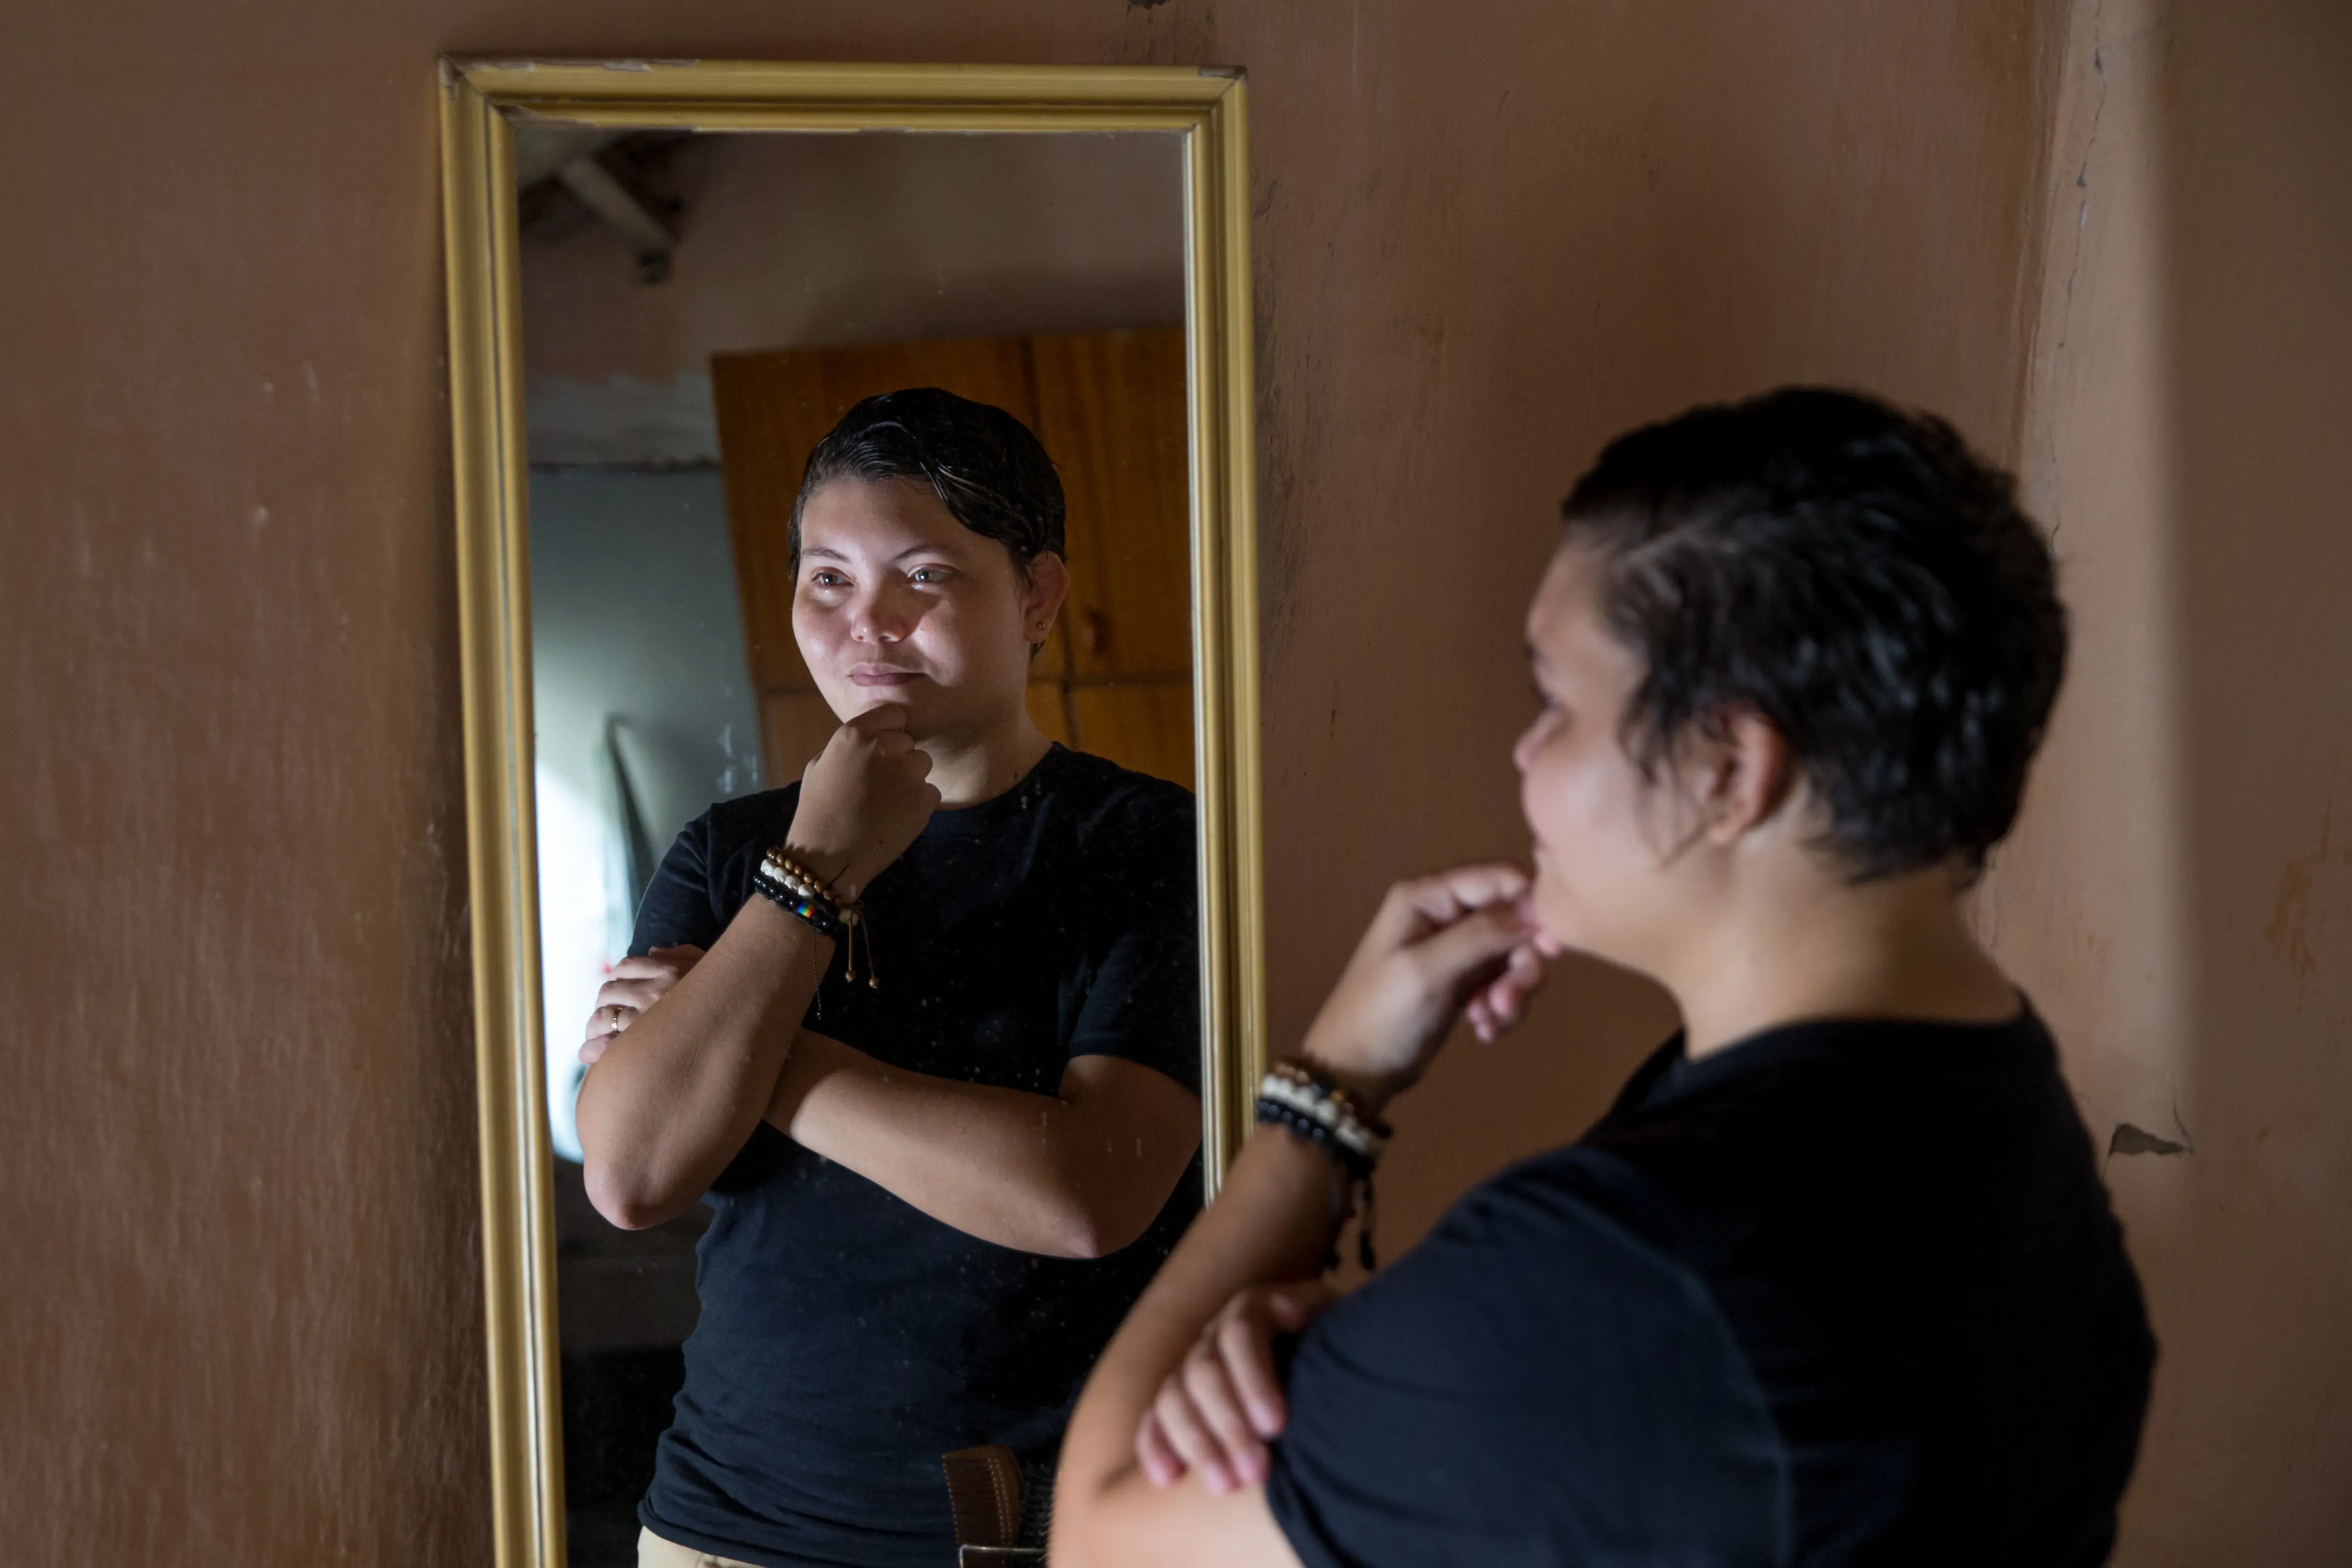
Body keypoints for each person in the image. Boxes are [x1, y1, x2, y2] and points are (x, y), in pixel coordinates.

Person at [1051, 388, 2157, 1566]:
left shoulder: (1632, 1274)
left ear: (1729, 766)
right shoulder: (2002, 1117)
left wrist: (1327, 1094)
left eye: (1556, 702)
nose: (1524, 756)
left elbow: (1102, 1530)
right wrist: (1409, 1385)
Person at [572, 389, 1207, 1568]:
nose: (869, 626)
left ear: (1037, 596)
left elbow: (1085, 1193)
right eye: (828, 581)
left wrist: (756, 1046)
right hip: (718, 1530)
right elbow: (633, 1172)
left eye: (922, 576)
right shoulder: (728, 854)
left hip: (998, 1541)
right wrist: (808, 868)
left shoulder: (1137, 842)